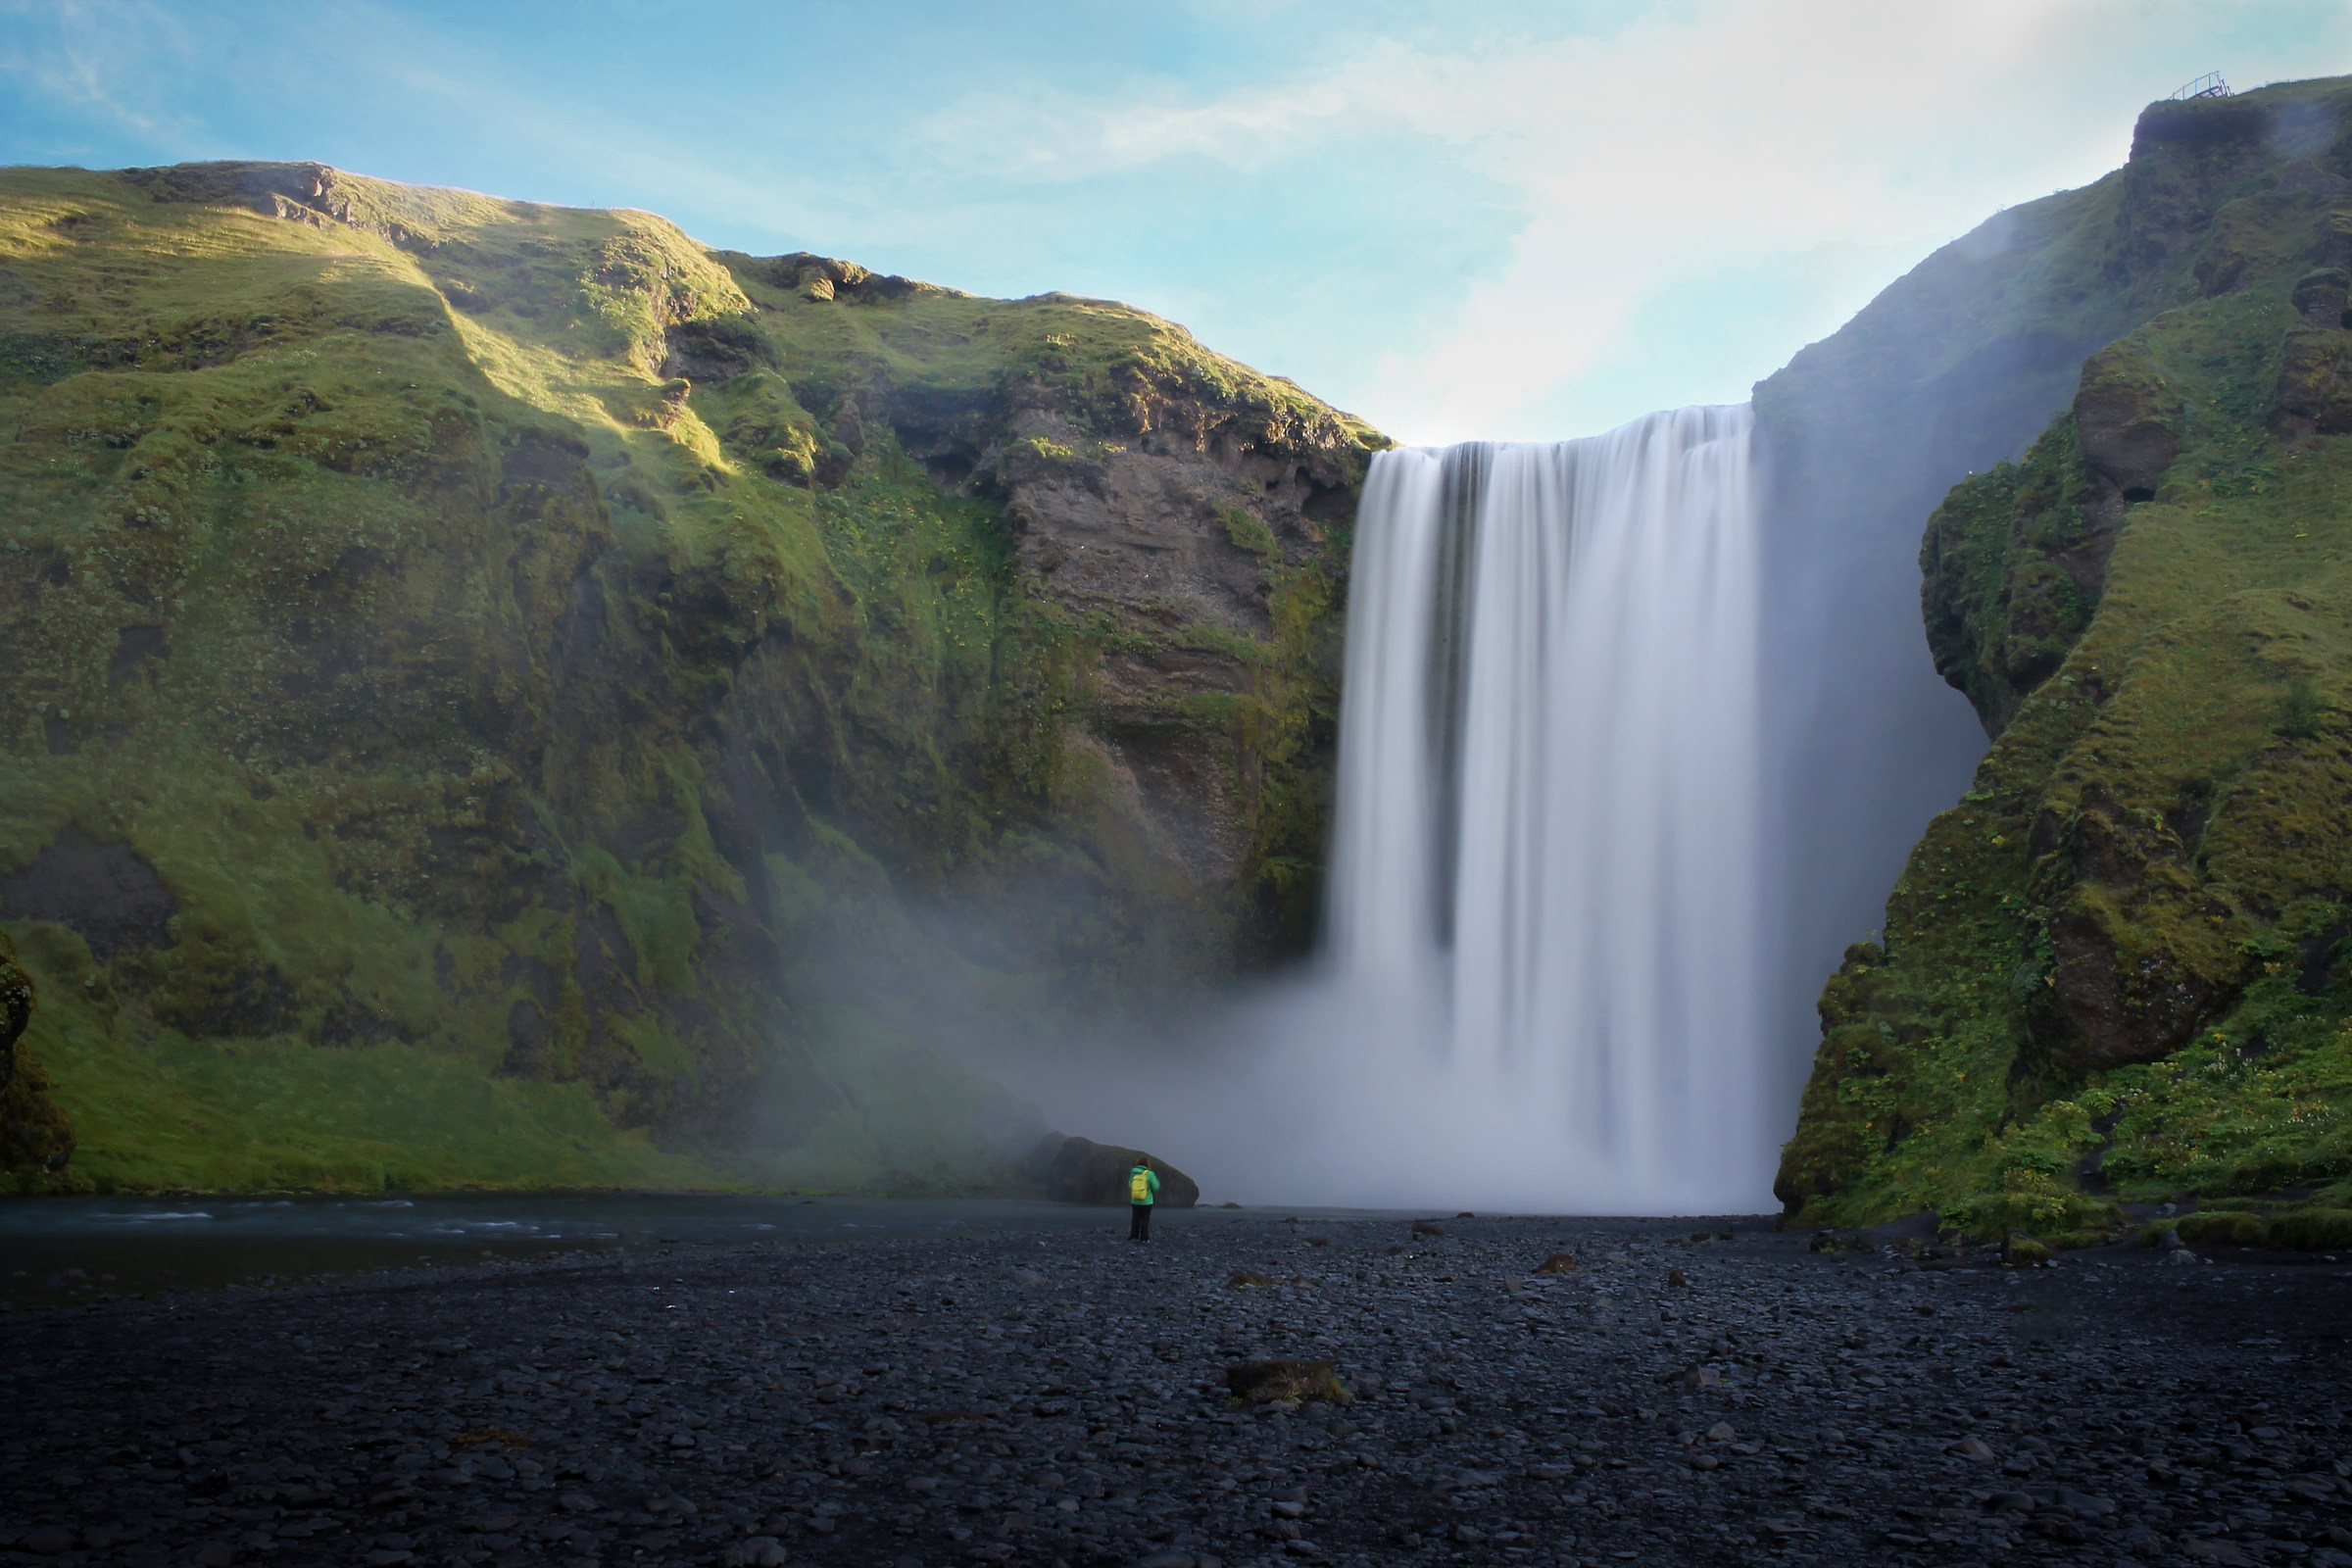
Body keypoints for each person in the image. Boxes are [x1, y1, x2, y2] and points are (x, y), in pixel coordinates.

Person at [1128, 1156, 1160, 1242]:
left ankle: (1133, 1236)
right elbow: (1156, 1186)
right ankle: (1144, 1238)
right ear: (1147, 1164)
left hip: (1135, 1200)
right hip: (1147, 1201)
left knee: (1135, 1218)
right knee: (1145, 1219)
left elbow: (1130, 1184)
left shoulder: (1134, 1173)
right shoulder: (1149, 1174)